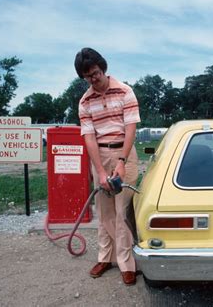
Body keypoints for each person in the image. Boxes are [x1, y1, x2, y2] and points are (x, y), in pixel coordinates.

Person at [74, 47, 140, 286]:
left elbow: (131, 128)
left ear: (103, 68)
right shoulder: (85, 101)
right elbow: (89, 137)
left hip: (124, 151)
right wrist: (100, 171)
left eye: (96, 73)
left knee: (123, 211)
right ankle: (105, 257)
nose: (94, 79)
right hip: (100, 154)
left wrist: (121, 162)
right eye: (88, 76)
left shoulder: (125, 92)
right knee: (104, 211)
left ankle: (126, 263)